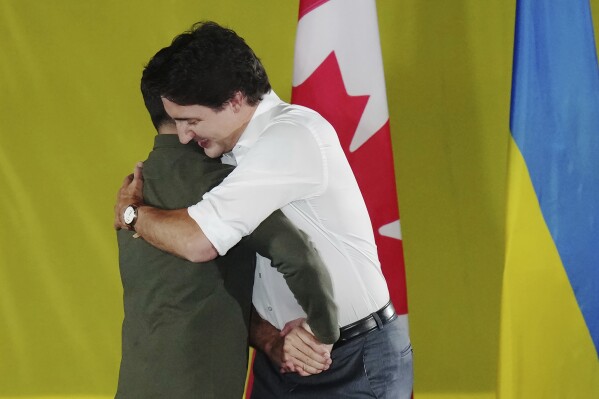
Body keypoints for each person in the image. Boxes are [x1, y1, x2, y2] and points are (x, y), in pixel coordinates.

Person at [114, 21, 413, 398]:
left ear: (235, 99)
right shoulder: (223, 156)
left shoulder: (291, 136)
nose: (185, 136)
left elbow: (198, 241)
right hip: (281, 358)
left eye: (192, 121)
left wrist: (132, 214)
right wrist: (271, 341)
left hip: (351, 360)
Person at [114, 83, 339, 398]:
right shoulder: (223, 185)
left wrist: (270, 340)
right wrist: (325, 333)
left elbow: (196, 293)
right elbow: (299, 257)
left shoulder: (132, 194)